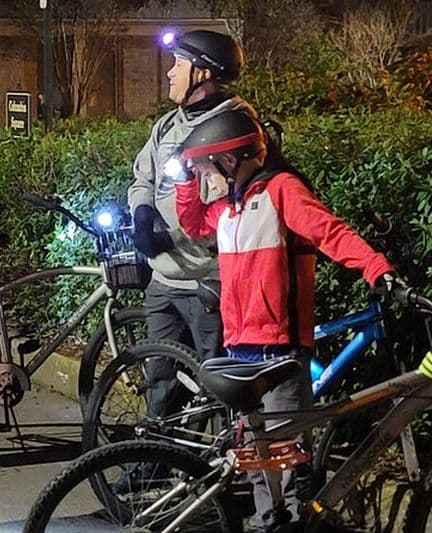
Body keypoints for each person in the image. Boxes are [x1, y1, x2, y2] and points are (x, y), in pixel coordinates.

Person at [173, 109, 394, 530]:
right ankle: (265, 523)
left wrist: (375, 267)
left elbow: (329, 231)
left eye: (206, 168)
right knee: (258, 460)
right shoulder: (230, 207)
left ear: (233, 159)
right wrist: (183, 181)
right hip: (240, 346)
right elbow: (194, 224)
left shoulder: (280, 191)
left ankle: (283, 524)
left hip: (279, 349)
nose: (205, 179)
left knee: (286, 463)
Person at [127, 29, 254, 419]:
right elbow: (141, 177)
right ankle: (156, 466)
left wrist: (178, 236)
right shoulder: (166, 125)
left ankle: (214, 473)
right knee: (160, 384)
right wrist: (142, 212)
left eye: (178, 64)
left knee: (218, 391)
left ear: (202, 73)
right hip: (164, 282)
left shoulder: (236, 127)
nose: (169, 73)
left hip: (209, 284)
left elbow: (240, 206)